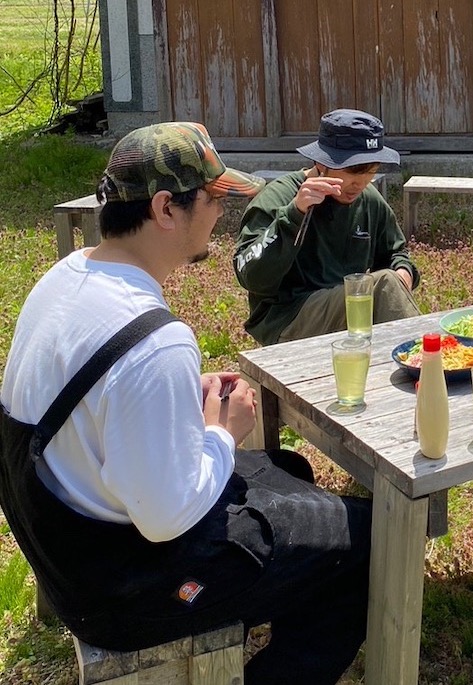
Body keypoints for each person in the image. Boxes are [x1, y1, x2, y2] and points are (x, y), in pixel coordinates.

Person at [0, 122, 372, 684]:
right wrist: (225, 431)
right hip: (118, 588)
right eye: (215, 198)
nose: (220, 215)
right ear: (165, 208)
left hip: (62, 542)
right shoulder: (156, 339)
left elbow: (95, 392)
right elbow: (165, 517)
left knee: (289, 467)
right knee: (363, 540)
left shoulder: (68, 275)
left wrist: (178, 391)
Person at [233, 108, 421, 345]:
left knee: (387, 282)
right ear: (321, 161)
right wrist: (294, 214)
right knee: (383, 285)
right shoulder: (278, 198)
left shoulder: (369, 199)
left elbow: (396, 253)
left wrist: (403, 272)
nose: (360, 183)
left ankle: (421, 363)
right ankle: (429, 364)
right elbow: (249, 276)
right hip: (287, 316)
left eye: (371, 171)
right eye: (353, 171)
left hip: (348, 307)